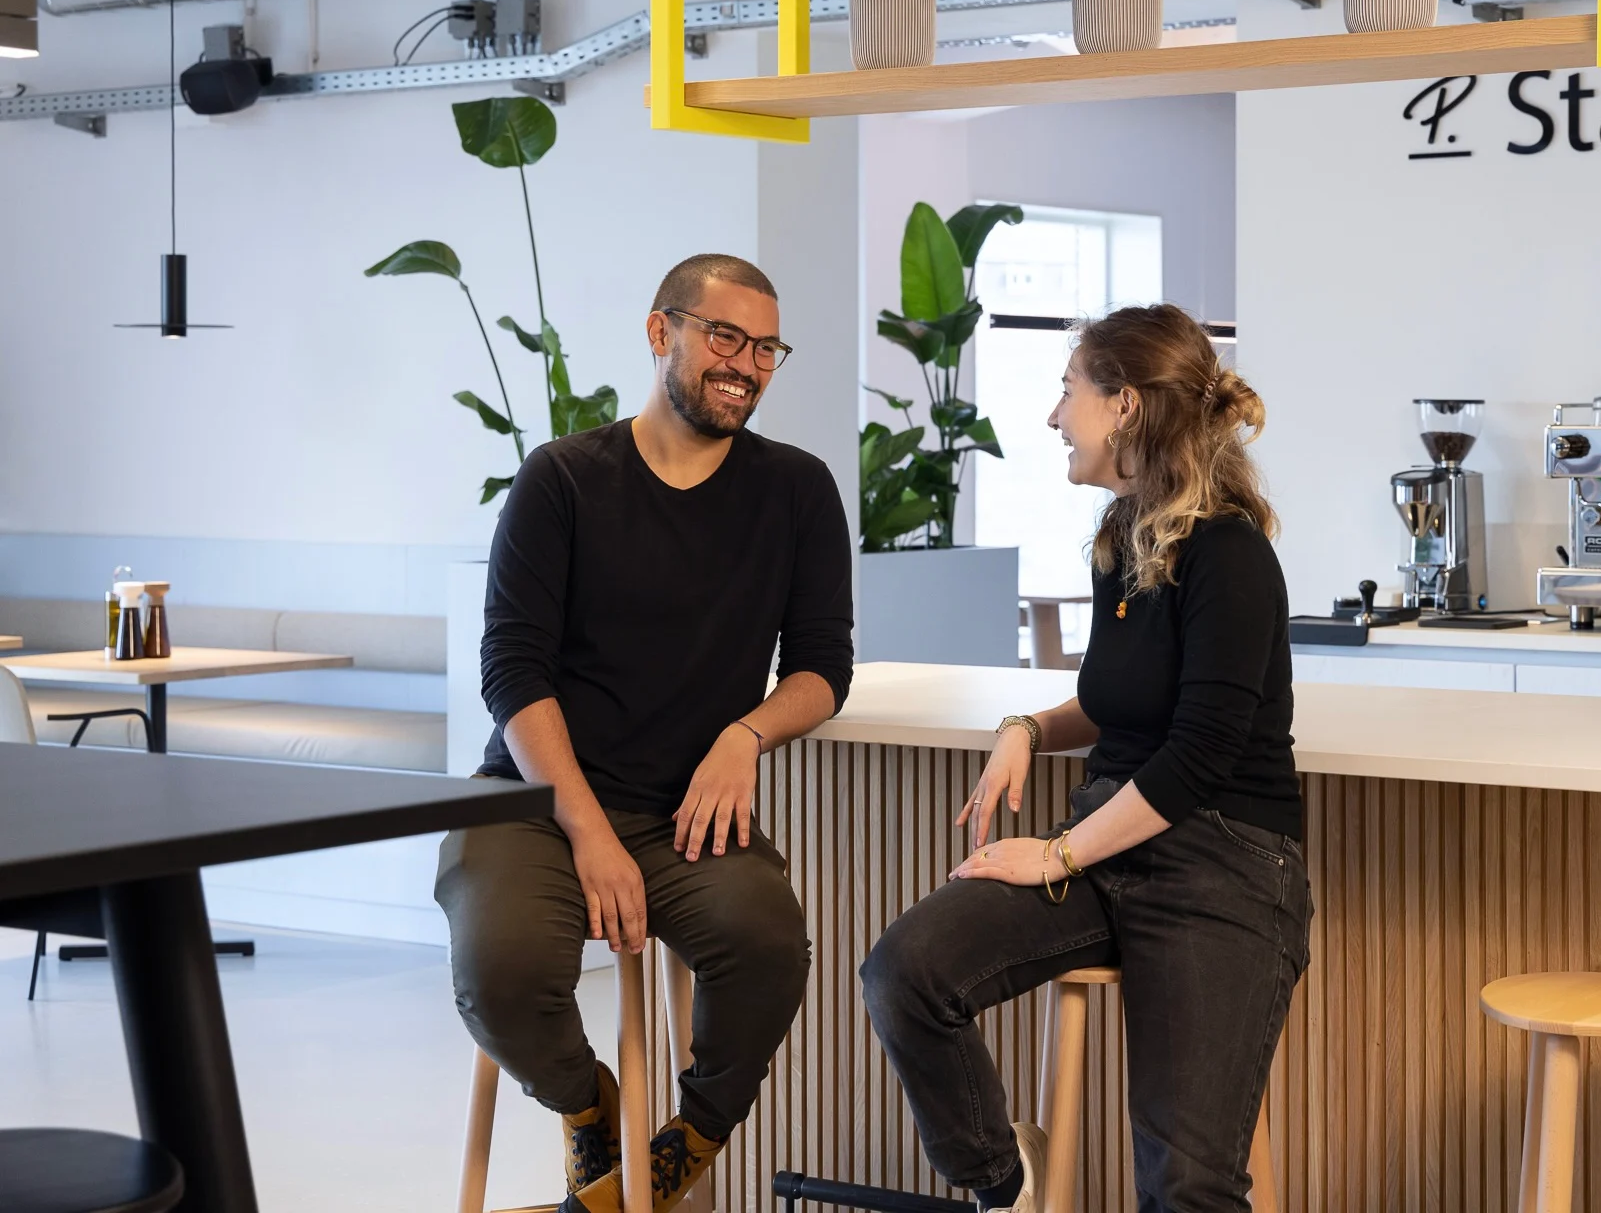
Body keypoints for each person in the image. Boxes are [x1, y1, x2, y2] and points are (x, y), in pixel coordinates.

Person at [860, 304, 1312, 1213]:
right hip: (1111, 845)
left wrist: (1056, 854)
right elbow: (1117, 703)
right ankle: (1005, 1182)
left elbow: (1199, 754)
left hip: (1221, 867)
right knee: (905, 972)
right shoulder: (1122, 539)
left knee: (1186, 1184)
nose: (1054, 416)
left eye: (1068, 391)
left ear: (1125, 405)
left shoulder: (1229, 554)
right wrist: (1028, 727)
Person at [435, 254, 854, 1213]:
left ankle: (678, 1147)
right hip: (537, 802)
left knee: (767, 946)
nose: (746, 365)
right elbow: (513, 672)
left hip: (684, 820)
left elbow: (823, 668)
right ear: (662, 331)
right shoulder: (563, 479)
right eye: (725, 337)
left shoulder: (796, 490)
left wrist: (745, 736)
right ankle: (588, 1106)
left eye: (766, 348)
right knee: (501, 973)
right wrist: (587, 831)